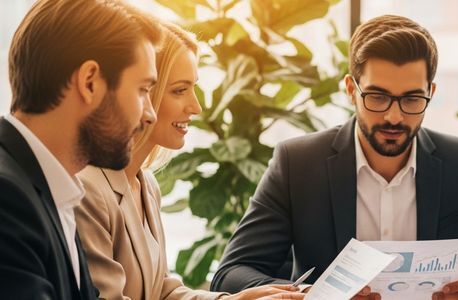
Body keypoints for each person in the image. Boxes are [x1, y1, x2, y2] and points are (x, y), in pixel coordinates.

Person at [210, 15, 458, 300]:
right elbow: (230, 275)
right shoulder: (298, 162)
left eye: (412, 99)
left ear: (431, 93)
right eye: (377, 96)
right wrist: (315, 296)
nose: (393, 116)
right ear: (350, 89)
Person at [74, 21, 307, 300]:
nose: (195, 107)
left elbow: (161, 290)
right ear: (144, 90)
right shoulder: (88, 188)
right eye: (179, 90)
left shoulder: (145, 184)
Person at [0, 0, 163, 298]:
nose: (150, 114)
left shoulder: (52, 190)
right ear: (89, 82)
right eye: (142, 90)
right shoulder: (7, 198)